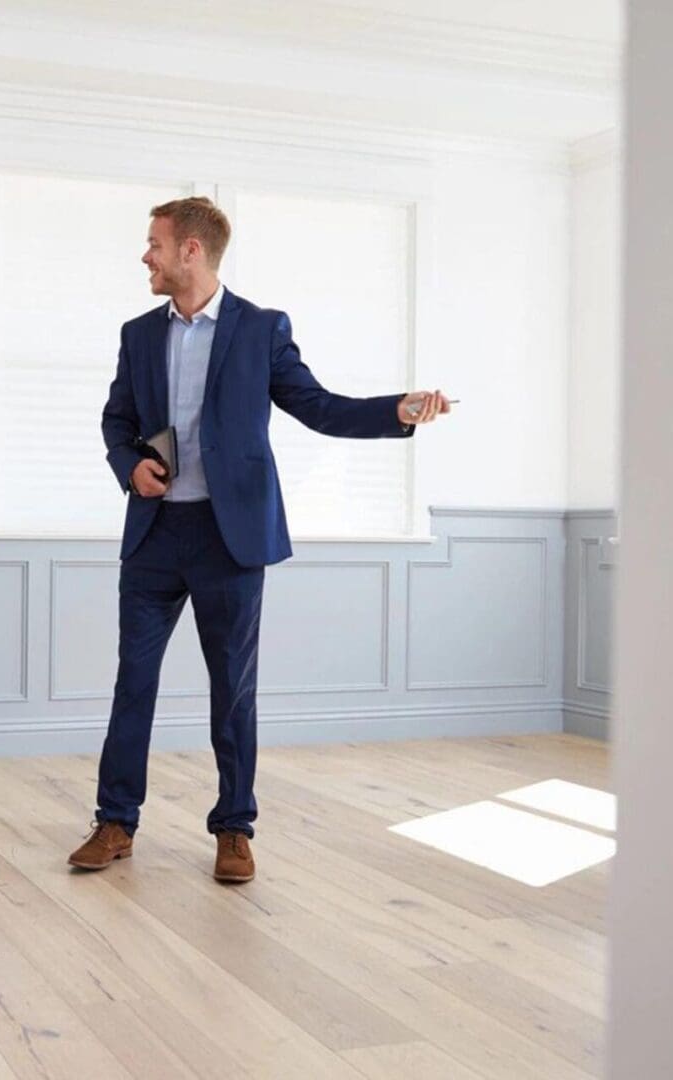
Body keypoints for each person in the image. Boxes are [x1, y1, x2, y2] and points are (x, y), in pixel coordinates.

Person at [68, 197, 451, 883]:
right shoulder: (136, 335)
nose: (145, 256)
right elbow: (115, 420)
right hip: (154, 538)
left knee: (233, 691)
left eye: (153, 244)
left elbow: (319, 407)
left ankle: (233, 829)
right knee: (134, 682)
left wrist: (395, 411)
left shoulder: (259, 330)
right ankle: (115, 820)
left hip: (230, 540)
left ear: (191, 250)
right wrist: (129, 466)